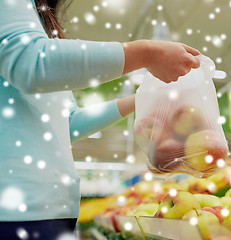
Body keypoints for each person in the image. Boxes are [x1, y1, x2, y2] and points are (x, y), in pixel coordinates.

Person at [0, 0, 201, 239]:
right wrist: (146, 53)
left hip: (52, 210)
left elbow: (70, 122)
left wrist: (141, 99)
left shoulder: (39, 23)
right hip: (14, 210)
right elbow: (30, 60)